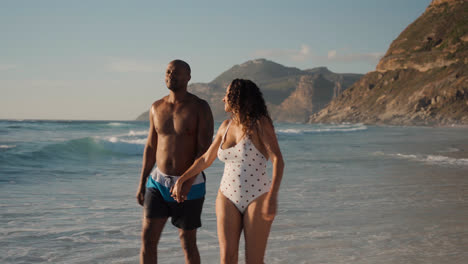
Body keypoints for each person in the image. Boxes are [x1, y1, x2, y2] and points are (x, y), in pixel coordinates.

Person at [171, 79, 284, 264]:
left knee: (253, 261)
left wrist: (273, 196)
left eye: (227, 94)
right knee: (227, 259)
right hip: (227, 196)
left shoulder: (260, 124)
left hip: (258, 196)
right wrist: (182, 179)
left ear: (238, 97)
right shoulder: (225, 126)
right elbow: (206, 159)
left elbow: (278, 160)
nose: (223, 99)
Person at [136, 59, 214, 264]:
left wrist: (187, 181)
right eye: (168, 72)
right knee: (148, 240)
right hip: (158, 183)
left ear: (188, 77)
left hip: (191, 183)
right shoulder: (156, 107)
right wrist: (142, 182)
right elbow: (151, 147)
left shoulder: (199, 107)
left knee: (187, 242)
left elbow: (204, 150)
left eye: (177, 73)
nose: (171, 76)